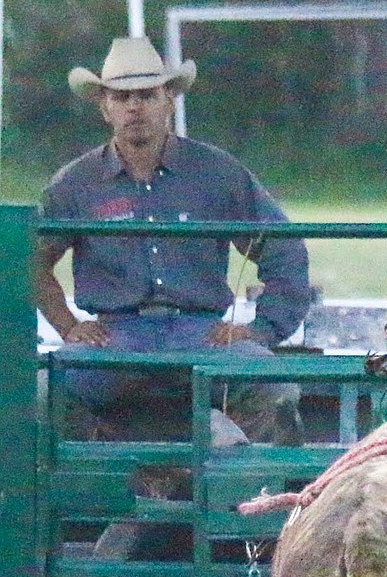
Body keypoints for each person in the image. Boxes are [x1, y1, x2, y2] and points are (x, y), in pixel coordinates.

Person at [35, 36, 312, 447]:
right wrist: (69, 326)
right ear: (104, 106)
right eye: (122, 96)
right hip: (115, 338)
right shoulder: (74, 184)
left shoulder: (217, 173)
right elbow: (28, 261)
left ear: (169, 101)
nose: (134, 107)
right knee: (41, 394)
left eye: (147, 95)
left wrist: (261, 331)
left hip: (201, 333)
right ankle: (89, 499)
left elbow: (283, 249)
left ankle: (255, 501)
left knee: (275, 389)